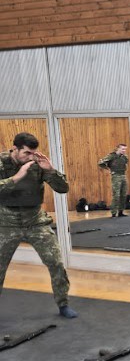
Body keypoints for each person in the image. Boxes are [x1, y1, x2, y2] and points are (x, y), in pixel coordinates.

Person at [0, 133, 77, 318]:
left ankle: (63, 304)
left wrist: (50, 170)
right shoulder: (1, 163)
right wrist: (17, 177)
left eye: (32, 153)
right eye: (26, 153)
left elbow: (63, 188)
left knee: (56, 262)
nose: (30, 157)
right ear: (15, 149)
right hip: (6, 223)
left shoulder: (37, 164)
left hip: (35, 221)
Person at [98, 143, 129, 217]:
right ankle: (114, 213)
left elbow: (125, 163)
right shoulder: (112, 156)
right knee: (116, 195)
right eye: (122, 149)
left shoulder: (125, 157)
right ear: (118, 148)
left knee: (123, 195)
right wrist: (109, 169)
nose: (124, 151)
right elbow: (100, 163)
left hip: (123, 175)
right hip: (116, 176)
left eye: (125, 149)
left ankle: (121, 212)